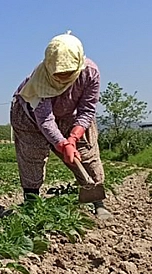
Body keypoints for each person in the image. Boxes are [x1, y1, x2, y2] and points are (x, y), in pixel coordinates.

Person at [11, 32, 112, 220]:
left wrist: (73, 138)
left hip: (70, 115)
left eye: (68, 73)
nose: (62, 77)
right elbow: (45, 120)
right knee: (32, 156)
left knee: (87, 154)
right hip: (31, 118)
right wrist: (62, 144)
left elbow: (87, 110)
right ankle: (31, 205)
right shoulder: (40, 79)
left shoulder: (90, 72)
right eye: (58, 73)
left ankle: (97, 202)